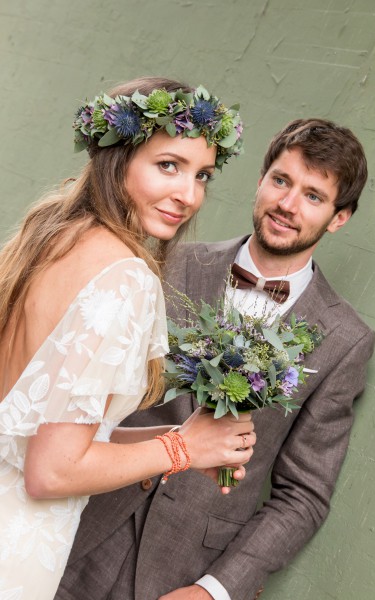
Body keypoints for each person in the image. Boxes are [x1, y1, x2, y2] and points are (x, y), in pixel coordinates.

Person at [55, 118, 375, 600]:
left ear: (339, 217)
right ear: (262, 178)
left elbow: (303, 495)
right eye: (281, 181)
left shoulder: (345, 340)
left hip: (183, 570)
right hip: (82, 524)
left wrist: (215, 590)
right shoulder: (168, 260)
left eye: (313, 196)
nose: (287, 205)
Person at [0, 76, 257, 600]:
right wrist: (181, 447)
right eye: (168, 165)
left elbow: (50, 435)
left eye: (202, 174)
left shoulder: (49, 236)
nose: (188, 195)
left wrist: (190, 445)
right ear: (119, 158)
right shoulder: (123, 276)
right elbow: (50, 472)